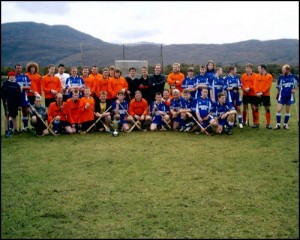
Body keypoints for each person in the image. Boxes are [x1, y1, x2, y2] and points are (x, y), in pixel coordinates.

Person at [274, 64, 299, 130]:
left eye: (283, 70)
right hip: (281, 96)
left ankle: (285, 125)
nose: (282, 71)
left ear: (287, 70)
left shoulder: (294, 77)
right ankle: (278, 125)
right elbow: (278, 87)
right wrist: (277, 94)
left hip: (289, 96)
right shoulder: (281, 77)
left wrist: (295, 89)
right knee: (278, 110)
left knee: (287, 111)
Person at [1, 71, 22, 137]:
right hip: (7, 103)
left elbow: (19, 95)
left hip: (15, 103)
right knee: (7, 116)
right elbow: (2, 94)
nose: (12, 76)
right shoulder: (5, 84)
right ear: (8, 76)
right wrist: (5, 101)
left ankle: (15, 129)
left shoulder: (16, 85)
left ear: (14, 76)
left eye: (13, 75)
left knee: (14, 116)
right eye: (10, 75)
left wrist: (19, 104)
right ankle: (6, 130)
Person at [253, 64, 273, 129]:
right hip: (258, 95)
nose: (258, 70)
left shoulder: (269, 76)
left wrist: (262, 92)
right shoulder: (257, 76)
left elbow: (268, 86)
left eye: (259, 68)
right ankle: (256, 123)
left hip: (266, 95)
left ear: (263, 69)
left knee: (267, 109)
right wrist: (257, 92)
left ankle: (268, 124)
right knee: (256, 108)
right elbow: (255, 85)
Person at [15, 63, 31, 132]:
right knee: (13, 113)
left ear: (21, 69)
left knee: (25, 112)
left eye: (20, 68)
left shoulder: (25, 76)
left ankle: (25, 127)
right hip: (14, 97)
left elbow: (29, 86)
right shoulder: (12, 76)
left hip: (24, 97)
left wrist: (22, 87)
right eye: (17, 68)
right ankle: (13, 128)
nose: (19, 69)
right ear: (15, 69)